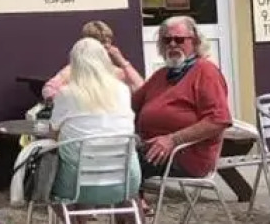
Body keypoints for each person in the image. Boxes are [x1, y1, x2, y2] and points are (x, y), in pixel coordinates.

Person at [132, 16, 233, 183]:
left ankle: (134, 206)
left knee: (125, 166)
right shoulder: (162, 75)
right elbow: (132, 105)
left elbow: (219, 120)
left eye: (179, 40)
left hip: (185, 156)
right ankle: (131, 205)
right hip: (153, 151)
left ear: (195, 42)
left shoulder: (205, 71)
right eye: (166, 40)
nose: (172, 44)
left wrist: (173, 139)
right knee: (110, 155)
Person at [49, 37, 142, 208]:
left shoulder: (66, 94)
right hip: (125, 184)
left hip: (75, 186)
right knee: (86, 163)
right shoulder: (122, 90)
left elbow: (53, 134)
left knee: (48, 186)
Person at [42, 19, 144, 99]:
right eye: (102, 43)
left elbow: (141, 89)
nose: (106, 48)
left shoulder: (116, 72)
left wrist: (122, 61)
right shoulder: (72, 70)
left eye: (108, 42)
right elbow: (49, 91)